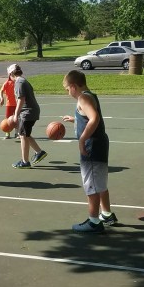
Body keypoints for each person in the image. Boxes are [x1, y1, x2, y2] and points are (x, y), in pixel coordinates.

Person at [62, 70, 115, 233]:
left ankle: (94, 222)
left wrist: (82, 140)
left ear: (73, 86)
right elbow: (89, 117)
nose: (68, 93)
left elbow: (94, 118)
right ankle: (106, 214)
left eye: (67, 89)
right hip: (100, 143)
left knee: (91, 184)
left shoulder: (83, 98)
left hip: (91, 145)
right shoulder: (91, 95)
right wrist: (75, 119)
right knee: (99, 182)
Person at [7, 64, 47, 168]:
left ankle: (25, 162)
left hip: (28, 112)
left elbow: (21, 99)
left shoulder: (19, 82)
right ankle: (39, 152)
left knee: (22, 135)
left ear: (11, 74)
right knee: (25, 134)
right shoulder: (23, 80)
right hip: (30, 111)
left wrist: (16, 115)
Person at [0, 74, 17, 139]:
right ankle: (7, 132)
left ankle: (17, 133)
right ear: (10, 76)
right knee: (8, 119)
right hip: (9, 104)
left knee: (17, 119)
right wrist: (2, 98)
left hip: (17, 104)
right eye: (12, 75)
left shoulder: (17, 83)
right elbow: (1, 91)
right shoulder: (6, 83)